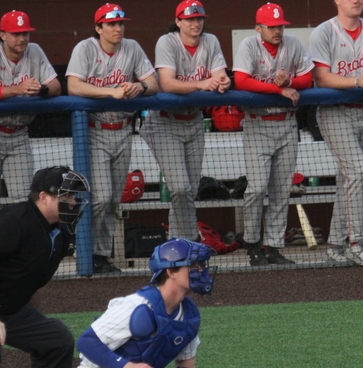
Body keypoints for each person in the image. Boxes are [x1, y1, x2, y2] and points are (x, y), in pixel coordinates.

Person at [70, 238, 219, 368]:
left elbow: (185, 364)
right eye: (194, 265)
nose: (201, 270)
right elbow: (87, 342)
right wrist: (126, 365)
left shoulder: (189, 315)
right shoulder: (137, 306)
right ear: (171, 272)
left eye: (201, 265)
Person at [0, 166, 90, 368]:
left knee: (55, 338)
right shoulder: (11, 223)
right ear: (43, 197)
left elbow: (30, 277)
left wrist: (31, 318)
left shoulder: (60, 231)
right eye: (66, 197)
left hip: (8, 309)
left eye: (74, 197)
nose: (73, 203)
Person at [66, 3, 159, 274]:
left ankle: (101, 255)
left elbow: (153, 82)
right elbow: (73, 86)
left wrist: (139, 86)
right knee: (100, 196)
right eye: (111, 24)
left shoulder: (132, 47)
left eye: (120, 24)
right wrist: (110, 92)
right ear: (98, 28)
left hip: (123, 129)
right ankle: (86, 249)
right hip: (93, 130)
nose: (118, 28)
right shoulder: (85, 48)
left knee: (112, 199)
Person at [308, 0, 363, 266]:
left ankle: (335, 245)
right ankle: (359, 241)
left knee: (347, 180)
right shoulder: (323, 32)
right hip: (334, 111)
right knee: (358, 172)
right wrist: (357, 81)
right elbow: (321, 77)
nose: (356, 0)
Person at [141, 0, 230, 244]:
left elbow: (220, 74)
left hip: (193, 121)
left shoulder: (210, 41)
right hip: (164, 123)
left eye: (199, 18)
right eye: (189, 19)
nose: (195, 23)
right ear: (178, 22)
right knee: (180, 188)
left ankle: (177, 245)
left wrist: (223, 82)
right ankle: (191, 240)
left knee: (187, 191)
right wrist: (201, 84)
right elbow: (166, 83)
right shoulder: (167, 41)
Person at [233, 3, 314, 266]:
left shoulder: (293, 44)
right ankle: (253, 243)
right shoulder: (248, 45)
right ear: (259, 28)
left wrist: (289, 82)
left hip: (287, 124)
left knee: (280, 191)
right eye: (271, 26)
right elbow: (241, 81)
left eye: (280, 25)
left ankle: (273, 245)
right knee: (256, 189)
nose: (277, 30)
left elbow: (308, 78)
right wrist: (278, 90)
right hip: (258, 123)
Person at [0, 11, 61, 223]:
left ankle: (18, 248)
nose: (22, 39)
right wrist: (17, 89)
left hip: (19, 135)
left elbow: (55, 86)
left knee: (23, 199)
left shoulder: (34, 50)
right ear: (2, 35)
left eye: (25, 33)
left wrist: (40, 90)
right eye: (16, 34)